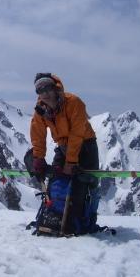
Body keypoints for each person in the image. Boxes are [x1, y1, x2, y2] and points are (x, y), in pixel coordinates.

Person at [30, 73, 99, 233]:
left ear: (55, 88)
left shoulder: (73, 102)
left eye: (47, 88)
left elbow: (77, 133)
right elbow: (38, 135)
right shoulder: (41, 110)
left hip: (85, 144)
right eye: (40, 90)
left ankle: (86, 219)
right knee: (56, 182)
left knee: (88, 182)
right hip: (62, 146)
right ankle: (57, 219)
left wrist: (71, 162)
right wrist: (38, 158)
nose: (45, 93)